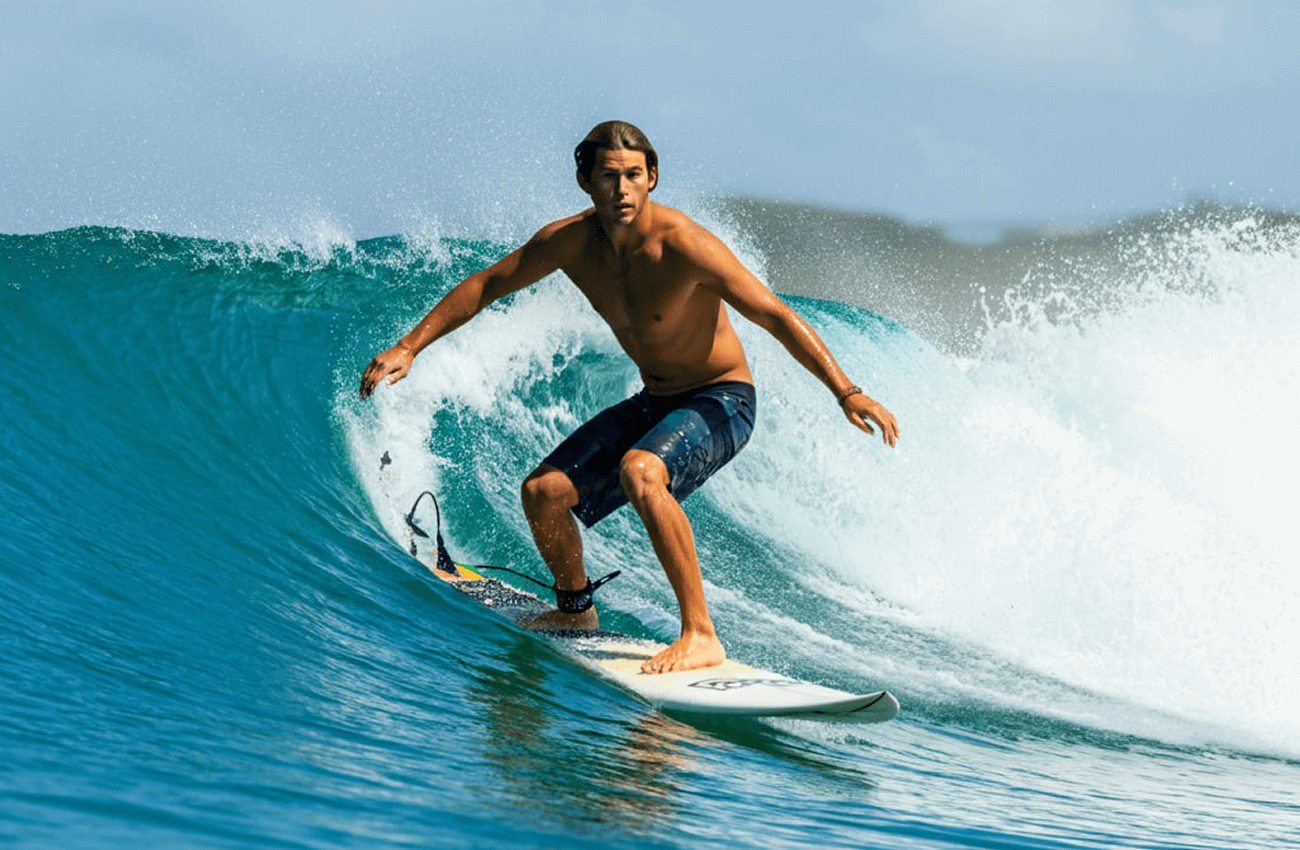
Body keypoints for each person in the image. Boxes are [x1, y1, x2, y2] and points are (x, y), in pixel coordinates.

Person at [360, 121, 899, 674]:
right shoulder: (570, 243)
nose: (622, 189)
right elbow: (486, 285)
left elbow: (775, 314)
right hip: (656, 398)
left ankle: (701, 634)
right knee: (543, 493)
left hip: (723, 399)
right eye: (609, 177)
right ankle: (575, 611)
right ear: (585, 181)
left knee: (641, 471)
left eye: (634, 175)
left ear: (653, 177)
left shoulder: (685, 245)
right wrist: (409, 346)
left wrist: (846, 391)